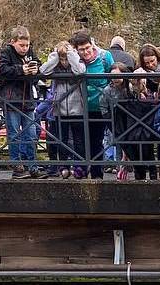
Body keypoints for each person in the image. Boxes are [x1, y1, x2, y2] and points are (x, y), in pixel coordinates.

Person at [0, 26, 45, 179]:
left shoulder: (30, 52)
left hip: (28, 98)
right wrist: (21, 70)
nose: (25, 48)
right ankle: (17, 166)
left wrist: (35, 70)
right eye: (22, 45)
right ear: (13, 43)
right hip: (11, 98)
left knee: (31, 134)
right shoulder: (6, 53)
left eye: (27, 45)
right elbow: (2, 69)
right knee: (14, 134)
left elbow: (39, 65)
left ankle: (32, 166)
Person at [41, 39, 88, 178]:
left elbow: (80, 71)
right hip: (59, 107)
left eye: (65, 58)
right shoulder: (56, 62)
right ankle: (64, 165)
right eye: (62, 59)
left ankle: (80, 165)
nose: (64, 62)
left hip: (77, 106)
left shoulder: (75, 60)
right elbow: (43, 71)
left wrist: (71, 55)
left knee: (79, 139)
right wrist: (55, 57)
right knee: (62, 138)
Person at [71, 30, 115, 179]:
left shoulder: (104, 57)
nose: (85, 52)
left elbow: (114, 76)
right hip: (80, 107)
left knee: (96, 141)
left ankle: (97, 174)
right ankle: (81, 170)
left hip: (100, 107)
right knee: (80, 141)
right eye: (81, 50)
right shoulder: (75, 60)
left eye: (87, 48)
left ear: (92, 44)